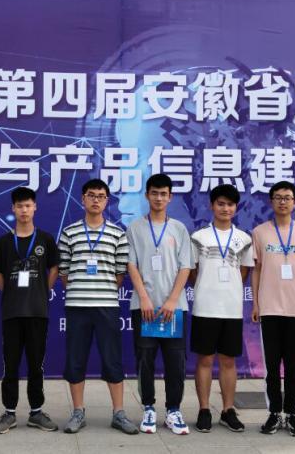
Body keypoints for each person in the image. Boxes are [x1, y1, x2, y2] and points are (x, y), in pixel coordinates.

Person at [57, 179, 138, 435]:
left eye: (101, 196)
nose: (96, 200)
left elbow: (119, 274)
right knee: (75, 360)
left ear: (106, 201)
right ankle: (78, 412)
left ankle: (119, 413)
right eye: (91, 195)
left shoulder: (117, 234)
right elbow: (64, 272)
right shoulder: (69, 233)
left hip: (106, 305)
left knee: (112, 359)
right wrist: (82, 289)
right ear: (83, 199)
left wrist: (100, 289)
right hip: (77, 306)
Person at [126, 174, 193, 435]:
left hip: (173, 308)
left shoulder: (179, 228)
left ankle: (173, 410)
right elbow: (131, 264)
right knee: (145, 359)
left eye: (164, 193)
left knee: (176, 361)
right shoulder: (135, 228)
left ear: (170, 197)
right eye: (154, 193)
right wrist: (144, 297)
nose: (158, 198)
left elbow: (185, 266)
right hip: (144, 307)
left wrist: (173, 300)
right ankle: (148, 408)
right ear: (147, 195)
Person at [0, 187, 61, 434]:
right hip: (11, 311)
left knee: (35, 364)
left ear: (35, 208)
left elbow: (54, 268)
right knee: (10, 364)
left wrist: (41, 289)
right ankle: (9, 412)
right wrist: (12, 291)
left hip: (37, 311)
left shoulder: (45, 239)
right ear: (13, 208)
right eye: (19, 206)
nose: (24, 210)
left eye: (28, 205)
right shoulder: (4, 241)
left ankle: (36, 412)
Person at [189, 184, 254, 433]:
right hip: (205, 307)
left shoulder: (244, 239)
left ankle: (228, 410)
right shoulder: (199, 237)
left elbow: (244, 272)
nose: (225, 208)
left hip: (231, 309)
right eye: (220, 204)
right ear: (212, 206)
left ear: (236, 208)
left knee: (228, 361)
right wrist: (207, 286)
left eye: (230, 204)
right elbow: (192, 272)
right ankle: (204, 409)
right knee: (204, 359)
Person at [250, 181, 295, 436]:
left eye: (287, 197)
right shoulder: (260, 232)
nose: (283, 202)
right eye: (278, 197)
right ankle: (274, 413)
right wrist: (256, 303)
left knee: (293, 366)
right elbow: (256, 269)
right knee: (272, 366)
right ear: (271, 201)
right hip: (269, 308)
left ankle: (292, 414)